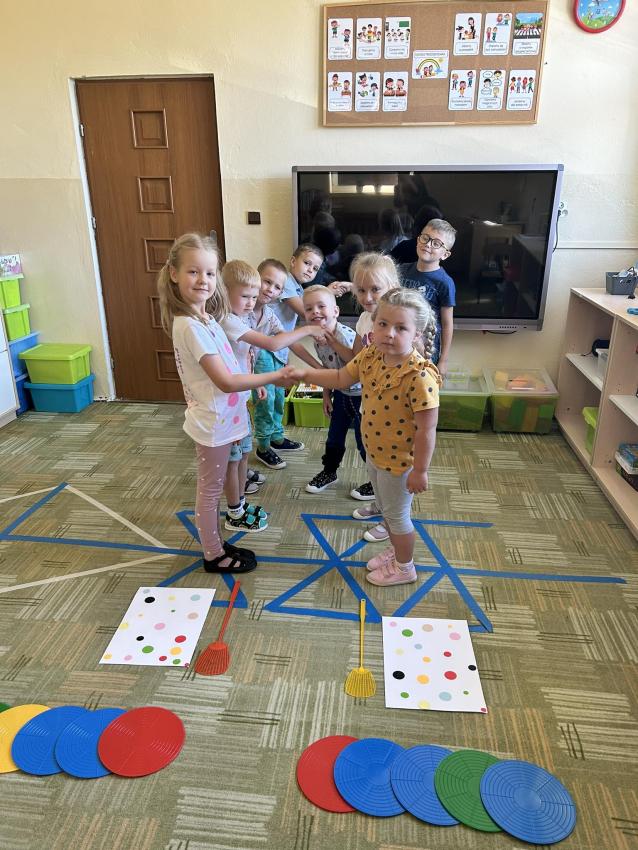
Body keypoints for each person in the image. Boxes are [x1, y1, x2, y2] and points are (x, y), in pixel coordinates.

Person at [157, 233, 294, 574]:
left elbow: (233, 367)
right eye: (193, 272)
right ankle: (214, 554)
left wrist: (254, 387)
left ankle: (217, 542)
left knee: (217, 484)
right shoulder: (190, 326)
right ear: (174, 273)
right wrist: (273, 377)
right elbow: (226, 381)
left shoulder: (206, 318)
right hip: (212, 422)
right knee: (210, 490)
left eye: (208, 273)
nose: (202, 280)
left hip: (225, 417)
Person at [288, 288, 440, 586]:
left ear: (417, 333)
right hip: (375, 452)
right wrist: (305, 375)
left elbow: (427, 429)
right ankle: (396, 551)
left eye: (401, 328)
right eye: (383, 324)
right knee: (386, 510)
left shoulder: (420, 376)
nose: (389, 333)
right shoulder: (371, 355)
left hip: (400, 463)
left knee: (397, 517)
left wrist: (420, 471)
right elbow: (340, 378)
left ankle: (405, 567)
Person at [251, 255, 325, 470]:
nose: (270, 289)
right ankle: (263, 446)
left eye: (277, 287)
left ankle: (276, 437)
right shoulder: (244, 311)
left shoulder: (269, 314)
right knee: (265, 403)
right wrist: (309, 329)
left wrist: (317, 367)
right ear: (255, 279)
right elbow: (272, 343)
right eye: (267, 282)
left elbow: (290, 341)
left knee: (277, 400)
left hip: (276, 356)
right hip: (260, 357)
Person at [301, 285, 367, 496]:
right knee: (334, 438)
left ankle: (377, 481)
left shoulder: (345, 335)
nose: (315, 312)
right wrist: (326, 395)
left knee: (364, 441)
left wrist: (334, 342)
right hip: (340, 395)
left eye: (321, 306)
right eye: (309, 309)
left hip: (361, 397)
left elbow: (355, 364)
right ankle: (329, 471)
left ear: (336, 311)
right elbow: (327, 369)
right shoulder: (317, 338)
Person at [398, 218, 456, 377]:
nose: (428, 244)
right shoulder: (401, 270)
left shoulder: (445, 282)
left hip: (426, 352)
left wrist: (443, 360)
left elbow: (447, 324)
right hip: (400, 345)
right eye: (425, 238)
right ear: (418, 240)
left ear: (445, 254)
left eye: (436, 243)